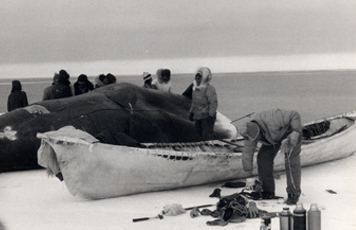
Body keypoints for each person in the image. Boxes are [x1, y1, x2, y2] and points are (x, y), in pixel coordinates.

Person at [237, 108, 302, 205]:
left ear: (259, 131)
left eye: (258, 138)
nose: (256, 141)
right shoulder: (249, 133)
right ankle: (268, 191)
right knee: (263, 158)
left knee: (290, 160)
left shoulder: (273, 118)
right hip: (272, 139)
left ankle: (293, 193)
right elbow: (247, 154)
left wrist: (296, 132)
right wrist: (249, 175)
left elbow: (294, 114)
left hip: (289, 133)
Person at [188, 67, 218, 141]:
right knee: (198, 135)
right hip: (198, 116)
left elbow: (213, 103)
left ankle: (209, 148)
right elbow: (194, 102)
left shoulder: (209, 89)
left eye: (199, 78)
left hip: (206, 116)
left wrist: (211, 115)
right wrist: (191, 112)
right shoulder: (195, 89)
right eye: (196, 77)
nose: (197, 79)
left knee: (207, 136)